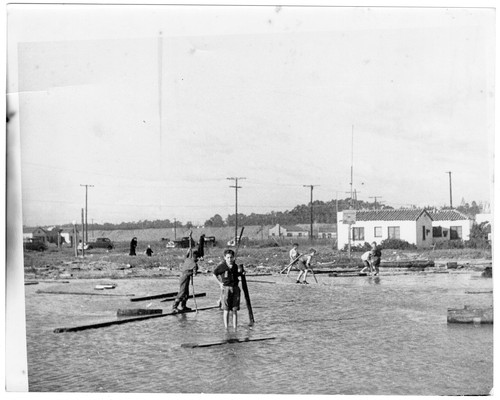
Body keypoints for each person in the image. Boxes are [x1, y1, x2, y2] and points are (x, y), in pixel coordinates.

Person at [212, 249, 244, 330]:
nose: (230, 259)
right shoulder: (222, 266)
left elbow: (237, 275)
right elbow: (214, 274)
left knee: (235, 309)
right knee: (226, 309)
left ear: (233, 258)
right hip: (226, 288)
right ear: (225, 258)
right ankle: (226, 328)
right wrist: (219, 284)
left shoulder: (235, 266)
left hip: (235, 288)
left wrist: (241, 273)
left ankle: (235, 328)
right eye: (228, 257)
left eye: (231, 257)